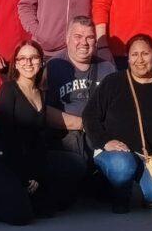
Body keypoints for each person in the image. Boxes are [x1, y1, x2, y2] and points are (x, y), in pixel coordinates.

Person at [0, 41, 85, 224]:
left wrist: (37, 174)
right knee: (21, 216)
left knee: (48, 209)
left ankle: (23, 195)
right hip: (2, 160)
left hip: (28, 158)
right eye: (22, 58)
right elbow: (6, 137)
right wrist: (25, 175)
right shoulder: (8, 90)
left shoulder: (41, 92)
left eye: (33, 58)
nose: (28, 62)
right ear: (15, 63)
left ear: (41, 62)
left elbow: (38, 140)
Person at [84, 32, 152, 212]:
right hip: (116, 153)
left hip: (151, 156)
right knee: (123, 166)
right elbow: (90, 116)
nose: (140, 60)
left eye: (145, 53)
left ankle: (141, 187)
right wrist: (105, 141)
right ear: (127, 58)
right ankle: (119, 195)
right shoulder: (113, 82)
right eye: (134, 54)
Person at [40, 17, 115, 207]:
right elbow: (43, 110)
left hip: (99, 138)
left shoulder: (107, 68)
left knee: (119, 177)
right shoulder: (53, 66)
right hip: (65, 138)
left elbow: (116, 111)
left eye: (90, 37)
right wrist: (83, 124)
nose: (84, 42)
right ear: (67, 39)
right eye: (78, 36)